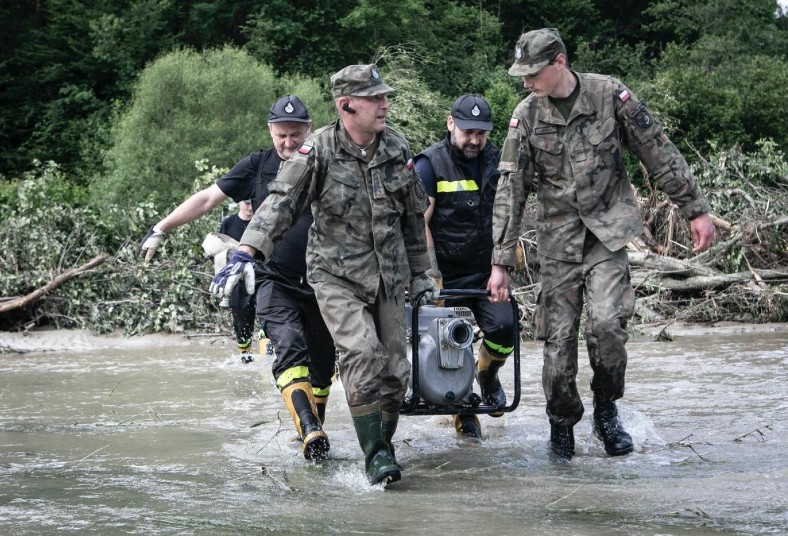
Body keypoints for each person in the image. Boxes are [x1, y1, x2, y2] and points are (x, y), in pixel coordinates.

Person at [488, 28, 716, 460]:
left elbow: (657, 150)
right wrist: (502, 261)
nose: (525, 81)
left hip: (607, 235)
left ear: (559, 63)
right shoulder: (527, 115)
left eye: (532, 72)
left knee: (608, 326)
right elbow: (510, 190)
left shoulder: (610, 95)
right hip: (557, 244)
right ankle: (562, 426)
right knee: (557, 348)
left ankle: (606, 408)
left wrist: (695, 209)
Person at [214, 64, 436, 485]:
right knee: (362, 352)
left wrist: (423, 274)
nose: (385, 104)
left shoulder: (396, 146)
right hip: (336, 276)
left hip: (389, 276)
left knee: (395, 370)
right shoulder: (317, 150)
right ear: (346, 104)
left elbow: (413, 216)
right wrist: (246, 249)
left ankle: (382, 445)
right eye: (375, 98)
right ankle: (376, 457)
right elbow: (281, 203)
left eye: (384, 97)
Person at [140, 95, 336, 461]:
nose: (289, 143)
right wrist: (161, 227)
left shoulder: (324, 161)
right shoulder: (256, 166)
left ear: (309, 130)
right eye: (282, 135)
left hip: (324, 281)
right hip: (274, 278)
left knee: (324, 365)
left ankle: (312, 429)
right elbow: (206, 199)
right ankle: (309, 428)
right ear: (270, 131)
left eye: (296, 135)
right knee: (290, 348)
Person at [415, 94, 515, 441]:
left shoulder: (498, 161)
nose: (474, 140)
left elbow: (508, 215)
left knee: (505, 330)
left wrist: (501, 265)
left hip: (487, 271)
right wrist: (431, 276)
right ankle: (464, 411)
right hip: (444, 274)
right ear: (450, 124)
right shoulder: (429, 164)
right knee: (447, 345)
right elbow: (419, 221)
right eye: (468, 132)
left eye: (481, 134)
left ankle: (487, 374)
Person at [217, 200, 257, 361]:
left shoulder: (261, 221)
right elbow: (219, 249)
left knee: (268, 313)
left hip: (261, 275)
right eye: (247, 203)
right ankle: (245, 356)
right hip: (237, 279)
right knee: (241, 319)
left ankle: (270, 351)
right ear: (239, 202)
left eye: (253, 203)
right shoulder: (229, 223)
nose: (250, 207)